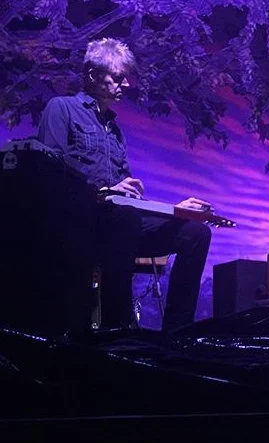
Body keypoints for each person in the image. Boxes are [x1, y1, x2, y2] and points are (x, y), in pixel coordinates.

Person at [38, 38, 212, 333]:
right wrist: (102, 192)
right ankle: (117, 326)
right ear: (93, 75)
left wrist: (174, 211)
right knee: (125, 218)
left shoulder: (115, 130)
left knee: (195, 232)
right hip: (81, 222)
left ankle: (177, 332)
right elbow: (48, 171)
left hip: (121, 220)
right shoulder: (61, 108)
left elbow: (128, 195)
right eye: (118, 77)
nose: (127, 84)